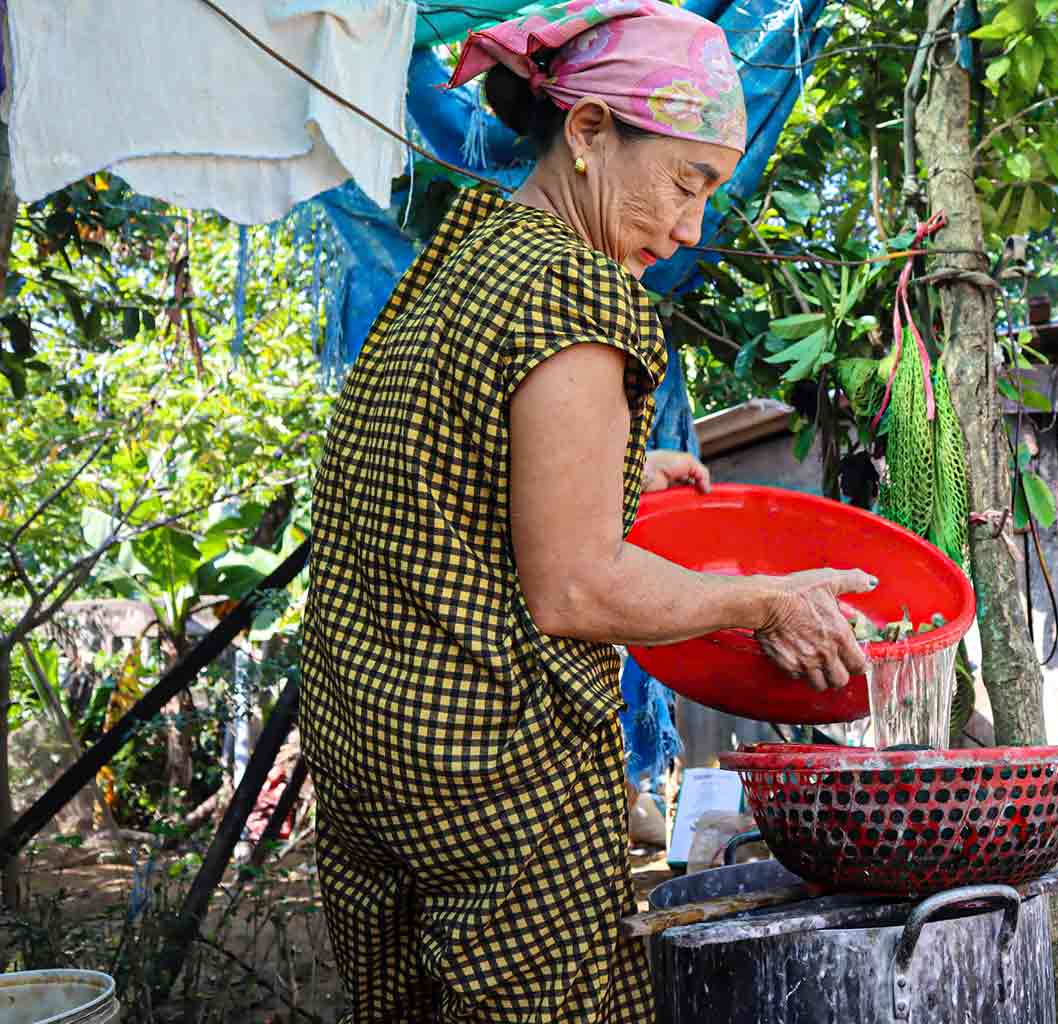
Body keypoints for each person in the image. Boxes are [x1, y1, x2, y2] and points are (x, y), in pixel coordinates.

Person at [297, 1, 875, 1021]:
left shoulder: (455, 260)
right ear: (589, 130)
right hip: (494, 776)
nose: (692, 226)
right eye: (685, 184)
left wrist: (616, 473)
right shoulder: (576, 292)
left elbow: (434, 465)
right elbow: (575, 588)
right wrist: (767, 602)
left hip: (364, 753)